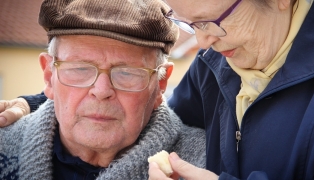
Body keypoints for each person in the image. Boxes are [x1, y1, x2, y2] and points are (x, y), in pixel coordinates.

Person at [1, 0, 314, 179]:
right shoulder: (217, 60)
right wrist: (39, 106)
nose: (202, 42)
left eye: (213, 21)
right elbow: (148, 112)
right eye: (189, 24)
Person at [0, 0, 206, 179]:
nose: (101, 91)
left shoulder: (207, 162)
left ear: (160, 84)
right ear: (48, 76)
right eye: (80, 68)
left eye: (126, 73)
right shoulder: (4, 144)